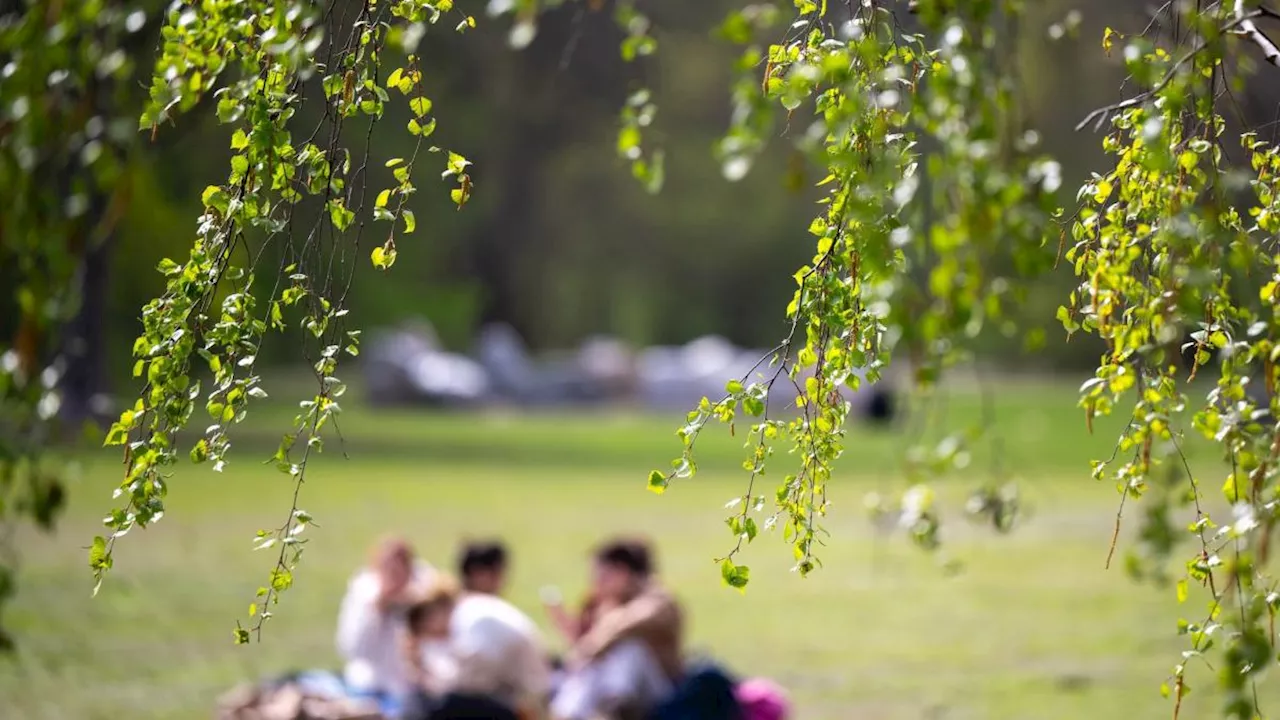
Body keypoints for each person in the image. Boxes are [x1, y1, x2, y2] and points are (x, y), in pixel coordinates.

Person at [550, 538, 684, 720]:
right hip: (624, 693)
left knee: (630, 650)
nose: (596, 584)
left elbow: (630, 623)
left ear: (622, 572)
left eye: (601, 577)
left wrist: (589, 648)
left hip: (662, 698)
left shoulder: (659, 599)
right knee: (593, 665)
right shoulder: (612, 605)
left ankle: (610, 710)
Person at [335, 537, 437, 715]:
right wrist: (378, 609)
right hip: (371, 685)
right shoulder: (363, 593)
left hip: (412, 687)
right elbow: (353, 648)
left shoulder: (426, 590)